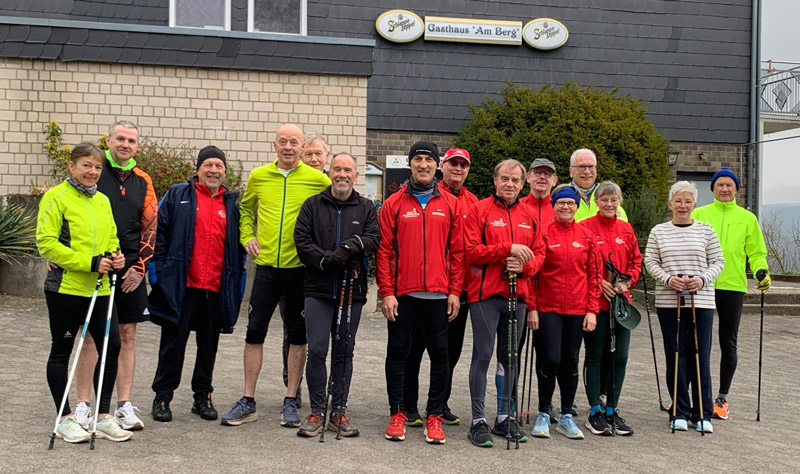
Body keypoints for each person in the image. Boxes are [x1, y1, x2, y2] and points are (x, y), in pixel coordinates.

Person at [221, 124, 330, 427]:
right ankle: (248, 399)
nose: (288, 146)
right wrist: (246, 236)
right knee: (254, 332)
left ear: (302, 147)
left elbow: (334, 210)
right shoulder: (259, 176)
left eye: (294, 142)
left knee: (297, 336)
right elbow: (245, 210)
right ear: (274, 145)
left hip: (299, 270)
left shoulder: (317, 179)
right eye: (283, 141)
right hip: (267, 267)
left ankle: (291, 399)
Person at [37, 142, 131, 443]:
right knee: (62, 351)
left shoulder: (102, 200)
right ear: (72, 166)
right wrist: (89, 262)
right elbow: (47, 243)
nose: (92, 171)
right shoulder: (56, 197)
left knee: (112, 347)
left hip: (100, 289)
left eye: (97, 167)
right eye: (86, 165)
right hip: (66, 288)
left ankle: (102, 417)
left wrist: (116, 256)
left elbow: (112, 237)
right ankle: (65, 418)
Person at [148, 146, 246, 423]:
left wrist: (236, 288)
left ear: (225, 171)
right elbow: (158, 235)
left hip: (214, 288)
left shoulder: (232, 205)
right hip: (181, 286)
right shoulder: (178, 195)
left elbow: (238, 252)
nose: (213, 170)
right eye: (208, 165)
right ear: (198, 168)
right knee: (172, 345)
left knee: (208, 346)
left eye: (218, 166)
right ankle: (163, 396)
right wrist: (157, 277)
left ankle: (202, 396)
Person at [376, 140, 465, 444]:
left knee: (441, 355)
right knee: (397, 353)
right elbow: (384, 251)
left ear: (437, 165)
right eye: (418, 159)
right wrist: (387, 292)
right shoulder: (393, 203)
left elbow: (458, 253)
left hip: (439, 295)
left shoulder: (451, 204)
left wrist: (455, 291)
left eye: (429, 159)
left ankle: (434, 416)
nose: (423, 164)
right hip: (403, 294)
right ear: (410, 164)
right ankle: (398, 413)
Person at [74, 120, 157, 432]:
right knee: (89, 336)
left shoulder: (143, 180)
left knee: (127, 336)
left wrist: (140, 267)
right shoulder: (95, 171)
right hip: (96, 266)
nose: (125, 144)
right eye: (120, 138)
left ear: (137, 146)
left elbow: (151, 227)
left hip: (130, 268)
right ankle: (84, 405)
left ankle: (123, 405)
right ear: (108, 141)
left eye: (131, 141)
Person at [294, 152, 380, 438]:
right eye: (337, 169)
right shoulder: (312, 205)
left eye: (348, 170)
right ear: (330, 173)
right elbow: (302, 241)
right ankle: (317, 410)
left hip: (351, 291)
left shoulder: (366, 207)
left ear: (356, 175)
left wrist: (350, 247)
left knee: (344, 350)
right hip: (317, 290)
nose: (342, 175)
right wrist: (326, 259)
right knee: (318, 349)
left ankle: (339, 411)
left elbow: (373, 239)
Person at [464, 159, 544, 448]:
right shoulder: (479, 210)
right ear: (495, 180)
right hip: (485, 296)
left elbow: (540, 254)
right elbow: (471, 251)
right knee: (483, 355)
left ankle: (503, 417)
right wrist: (506, 249)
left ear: (523, 184)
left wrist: (524, 268)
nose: (510, 184)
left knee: (509, 358)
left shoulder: (529, 215)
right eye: (505, 179)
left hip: (517, 297)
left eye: (515, 180)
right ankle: (478, 420)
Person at [402, 147, 478, 427]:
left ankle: (439, 403)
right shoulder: (431, 195)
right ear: (442, 166)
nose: (458, 169)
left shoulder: (473, 202)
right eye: (453, 164)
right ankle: (408, 405)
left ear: (468, 169)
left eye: (463, 165)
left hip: (459, 289)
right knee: (415, 349)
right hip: (428, 288)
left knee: (449, 351)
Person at [645, 181, 724, 433]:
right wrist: (668, 280)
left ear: (694, 205)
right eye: (678, 201)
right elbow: (650, 261)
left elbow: (718, 261)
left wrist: (702, 279)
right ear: (670, 204)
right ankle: (678, 410)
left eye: (688, 201)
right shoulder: (659, 231)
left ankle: (702, 412)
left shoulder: (706, 231)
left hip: (701, 301)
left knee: (701, 355)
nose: (683, 205)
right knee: (676, 354)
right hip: (670, 302)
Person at [692, 168, 770, 420]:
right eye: (720, 185)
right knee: (697, 342)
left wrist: (761, 271)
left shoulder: (747, 218)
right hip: (702, 284)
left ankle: (721, 398)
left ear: (736, 189)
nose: (725, 189)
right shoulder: (699, 214)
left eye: (729, 185)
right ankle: (690, 395)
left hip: (733, 286)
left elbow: (756, 252)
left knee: (728, 342)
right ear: (713, 189)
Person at [530, 184, 600, 440]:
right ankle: (543, 412)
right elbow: (533, 275)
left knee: (570, 361)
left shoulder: (586, 236)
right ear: (554, 205)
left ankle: (567, 416)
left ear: (576, 206)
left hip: (577, 308)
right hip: (548, 307)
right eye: (561, 202)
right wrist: (532, 307)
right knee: (550, 359)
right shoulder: (543, 233)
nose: (566, 207)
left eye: (571, 203)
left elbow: (594, 275)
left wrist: (592, 310)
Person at [582, 181, 642, 436]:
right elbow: (581, 264)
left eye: (613, 199)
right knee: (595, 356)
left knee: (620, 357)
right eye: (604, 199)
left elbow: (636, 261)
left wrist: (627, 282)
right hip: (596, 303)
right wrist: (599, 283)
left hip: (620, 304)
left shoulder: (626, 229)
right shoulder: (585, 227)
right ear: (596, 202)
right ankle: (595, 411)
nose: (609, 204)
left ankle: (612, 409)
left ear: (620, 202)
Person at [570, 148, 628, 222]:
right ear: (571, 171)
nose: (587, 171)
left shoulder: (608, 192)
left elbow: (621, 223)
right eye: (581, 167)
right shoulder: (563, 195)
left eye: (591, 167)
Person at [521, 158, 558, 226]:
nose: (542, 177)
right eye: (537, 172)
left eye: (547, 174)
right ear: (528, 177)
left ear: (554, 181)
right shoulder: (517, 207)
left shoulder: (559, 209)